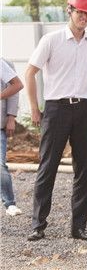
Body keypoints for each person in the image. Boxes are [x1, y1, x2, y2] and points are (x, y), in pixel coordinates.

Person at [25, 0, 87, 241]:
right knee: (48, 166)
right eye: (80, 12)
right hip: (56, 108)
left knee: (82, 168)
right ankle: (38, 225)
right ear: (69, 10)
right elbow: (30, 72)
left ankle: (79, 227)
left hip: (83, 109)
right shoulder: (51, 40)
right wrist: (34, 108)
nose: (84, 17)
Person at [1, 58, 24, 216]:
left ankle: (9, 203)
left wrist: (11, 117)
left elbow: (15, 88)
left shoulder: (4, 64)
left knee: (0, 165)